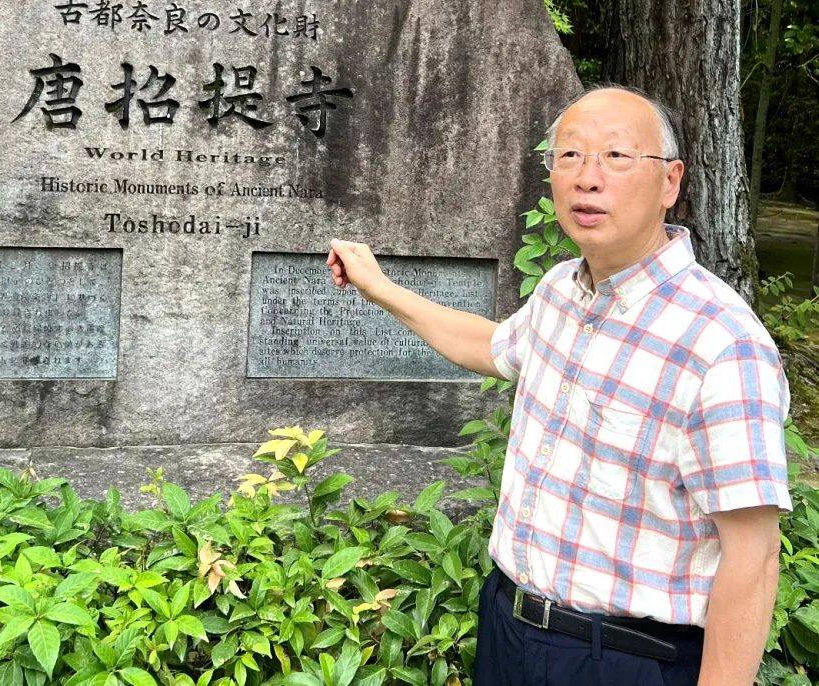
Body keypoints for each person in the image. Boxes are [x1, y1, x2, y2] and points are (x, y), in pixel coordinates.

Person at [326, 85, 791, 686]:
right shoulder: (560, 292)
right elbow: (490, 345)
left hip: (625, 659)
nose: (587, 178)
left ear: (670, 182)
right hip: (509, 627)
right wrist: (380, 288)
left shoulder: (722, 343)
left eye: (616, 156)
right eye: (569, 155)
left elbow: (753, 556)